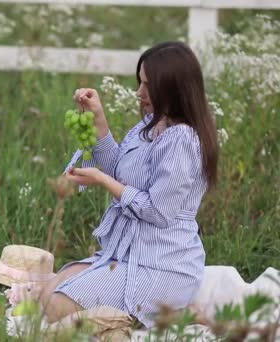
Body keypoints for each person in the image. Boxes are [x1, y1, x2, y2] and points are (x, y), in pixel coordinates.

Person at [38, 41, 219, 328]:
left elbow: (158, 213)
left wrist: (103, 180)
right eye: (140, 82)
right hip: (127, 254)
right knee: (47, 292)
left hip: (161, 265)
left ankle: (171, 313)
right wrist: (98, 118)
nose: (140, 92)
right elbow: (121, 172)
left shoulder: (182, 140)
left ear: (171, 87)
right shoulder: (149, 125)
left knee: (56, 306)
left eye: (148, 84)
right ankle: (163, 314)